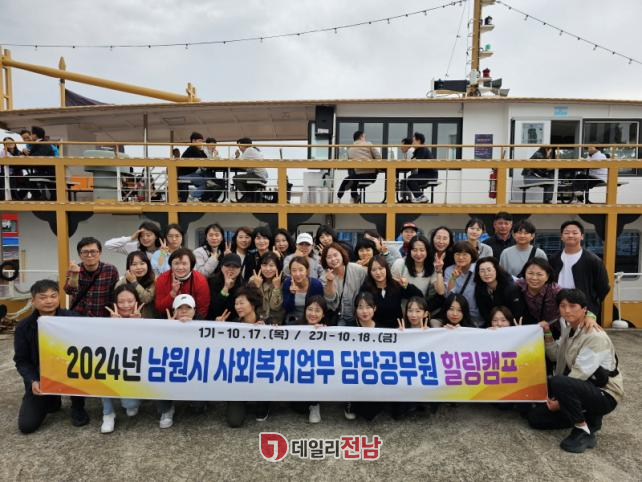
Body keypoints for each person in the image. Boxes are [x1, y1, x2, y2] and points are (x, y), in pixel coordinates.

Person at [527, 289, 623, 453]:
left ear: (584, 309)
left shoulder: (595, 336)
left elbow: (580, 373)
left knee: (558, 382)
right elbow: (555, 355)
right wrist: (547, 333)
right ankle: (585, 415)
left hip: (604, 393)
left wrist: (560, 401)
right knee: (536, 418)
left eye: (572, 306)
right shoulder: (568, 328)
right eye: (563, 306)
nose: (567, 310)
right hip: (581, 386)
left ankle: (583, 428)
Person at [14, 280, 89, 433]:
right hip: (41, 376)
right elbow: (21, 360)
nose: (49, 301)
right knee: (27, 426)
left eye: (53, 296)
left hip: (70, 372)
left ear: (58, 297)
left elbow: (94, 333)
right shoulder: (23, 326)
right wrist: (33, 380)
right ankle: (53, 398)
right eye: (43, 297)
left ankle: (77, 405)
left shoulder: (73, 318)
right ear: (33, 300)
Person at [220, 286, 271, 427]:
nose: (238, 307)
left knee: (260, 413)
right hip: (239, 377)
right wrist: (218, 329)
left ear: (252, 305)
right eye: (236, 303)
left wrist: (267, 330)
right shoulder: (233, 325)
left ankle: (264, 402)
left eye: (241, 303)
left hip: (260, 374)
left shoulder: (266, 323)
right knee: (234, 421)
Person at [100, 284, 144, 433]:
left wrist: (139, 324)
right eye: (121, 302)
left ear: (136, 301)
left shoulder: (145, 320)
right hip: (111, 366)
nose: (126, 305)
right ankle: (108, 413)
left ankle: (131, 400)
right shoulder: (105, 320)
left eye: (130, 301)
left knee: (131, 408)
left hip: (132, 368)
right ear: (115, 303)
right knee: (101, 371)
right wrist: (112, 326)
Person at [548, 221, 610, 323]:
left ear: (582, 236)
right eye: (566, 233)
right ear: (561, 237)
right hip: (558, 307)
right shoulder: (553, 259)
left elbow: (603, 287)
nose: (570, 235)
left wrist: (591, 307)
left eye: (575, 233)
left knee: (581, 332)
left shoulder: (593, 260)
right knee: (559, 332)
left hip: (582, 310)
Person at [157, 294, 200, 428]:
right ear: (174, 311)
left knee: (198, 408)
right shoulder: (163, 327)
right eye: (180, 308)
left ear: (194, 311)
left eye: (188, 307)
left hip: (194, 370)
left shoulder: (204, 327)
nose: (184, 311)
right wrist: (169, 330)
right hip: (172, 368)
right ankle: (166, 410)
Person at [362, 255, 422, 329]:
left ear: (386, 268)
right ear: (370, 272)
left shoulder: (396, 285)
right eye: (373, 270)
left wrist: (407, 286)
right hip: (375, 330)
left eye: (381, 268)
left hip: (397, 329)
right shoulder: (366, 288)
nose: (378, 272)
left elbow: (419, 296)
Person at [64, 237, 119, 317]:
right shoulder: (74, 269)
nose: (89, 255)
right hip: (78, 316)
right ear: (80, 254)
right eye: (85, 252)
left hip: (102, 317)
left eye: (93, 251)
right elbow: (69, 291)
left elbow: (114, 296)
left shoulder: (110, 270)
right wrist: (75, 275)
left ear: (100, 253)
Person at [154, 248, 210, 319]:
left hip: (192, 320)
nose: (180, 267)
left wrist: (192, 322)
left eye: (184, 264)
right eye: (176, 263)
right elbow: (159, 308)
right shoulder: (162, 279)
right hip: (168, 319)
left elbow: (202, 309)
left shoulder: (200, 280)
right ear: (171, 265)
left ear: (191, 265)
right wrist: (173, 293)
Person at [437, 240, 483, 326]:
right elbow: (448, 295)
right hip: (456, 317)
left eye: (465, 254)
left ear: (472, 256)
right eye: (457, 254)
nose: (461, 257)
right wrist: (453, 278)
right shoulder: (449, 270)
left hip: (476, 318)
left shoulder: (479, 269)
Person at [321, 242, 367, 326]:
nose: (333, 259)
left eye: (335, 255)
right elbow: (330, 299)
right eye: (329, 257)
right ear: (325, 260)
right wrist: (330, 282)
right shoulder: (324, 276)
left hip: (358, 317)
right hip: (338, 318)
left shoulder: (357, 269)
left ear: (342, 254)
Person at [300, 295, 329, 423]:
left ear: (323, 314)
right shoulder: (294, 327)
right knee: (298, 408)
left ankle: (315, 404)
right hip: (299, 369)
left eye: (317, 311)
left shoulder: (329, 329)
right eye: (310, 309)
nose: (313, 314)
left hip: (317, 372)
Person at [474, 257, 524, 327]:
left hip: (511, 326)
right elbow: (484, 313)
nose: (486, 273)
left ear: (496, 270)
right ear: (478, 273)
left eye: (489, 270)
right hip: (492, 326)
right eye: (482, 271)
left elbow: (517, 312)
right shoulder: (479, 288)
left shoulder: (510, 288)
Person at [515, 258, 562, 332]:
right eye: (530, 273)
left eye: (539, 274)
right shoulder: (518, 286)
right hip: (528, 330)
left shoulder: (555, 290)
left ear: (547, 276)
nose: (534, 278)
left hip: (553, 330)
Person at [336, 130, 381, 203]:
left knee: (351, 175)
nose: (365, 139)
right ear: (361, 137)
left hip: (356, 176)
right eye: (364, 137)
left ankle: (347, 196)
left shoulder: (350, 149)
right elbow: (378, 157)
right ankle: (354, 196)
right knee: (352, 177)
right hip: (371, 176)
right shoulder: (369, 144)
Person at [391, 235, 438, 301]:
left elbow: (440, 292)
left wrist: (439, 272)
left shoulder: (432, 267)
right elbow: (392, 290)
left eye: (422, 250)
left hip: (421, 305)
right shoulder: (400, 264)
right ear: (409, 251)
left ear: (427, 251)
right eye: (415, 250)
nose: (418, 254)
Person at [283, 256, 324, 324]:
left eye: (301, 270)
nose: (297, 274)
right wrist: (291, 294)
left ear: (307, 271)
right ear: (290, 272)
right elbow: (287, 309)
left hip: (312, 320)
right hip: (292, 320)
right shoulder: (287, 283)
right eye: (294, 270)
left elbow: (320, 307)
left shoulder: (316, 284)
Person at [115, 250, 156, 318]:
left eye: (142, 263)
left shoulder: (154, 280)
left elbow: (146, 299)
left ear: (148, 265)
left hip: (148, 319)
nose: (139, 267)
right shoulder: (122, 282)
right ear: (128, 267)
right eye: (134, 264)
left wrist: (134, 282)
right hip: (127, 319)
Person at [248, 252, 285, 325]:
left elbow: (275, 307)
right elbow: (252, 304)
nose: (268, 269)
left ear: (277, 267)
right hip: (256, 322)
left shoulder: (283, 281)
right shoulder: (253, 280)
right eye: (264, 265)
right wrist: (257, 287)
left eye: (271, 265)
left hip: (277, 323)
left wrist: (276, 288)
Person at [207, 253, 244, 320]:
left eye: (235, 266)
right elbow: (213, 307)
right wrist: (226, 288)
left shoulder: (243, 285)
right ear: (221, 267)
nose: (231, 269)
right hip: (213, 320)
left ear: (240, 269)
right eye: (228, 265)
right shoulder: (211, 282)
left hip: (235, 322)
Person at [232, 137, 268, 202]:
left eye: (239, 145)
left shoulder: (249, 150)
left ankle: (247, 197)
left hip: (258, 176)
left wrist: (237, 156)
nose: (239, 148)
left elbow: (239, 163)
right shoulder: (253, 150)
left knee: (235, 178)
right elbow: (247, 167)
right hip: (262, 175)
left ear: (244, 145)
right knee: (244, 178)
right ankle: (247, 198)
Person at [406, 132, 438, 203]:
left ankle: (421, 197)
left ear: (418, 141)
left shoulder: (422, 149)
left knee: (411, 179)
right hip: (426, 174)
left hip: (430, 175)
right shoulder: (418, 150)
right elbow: (412, 161)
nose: (412, 143)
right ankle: (420, 197)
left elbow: (414, 162)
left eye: (413, 141)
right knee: (411, 178)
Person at [178, 132, 208, 202]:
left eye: (202, 141)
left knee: (205, 179)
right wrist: (201, 150)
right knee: (205, 183)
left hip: (187, 174)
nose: (201, 143)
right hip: (185, 175)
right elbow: (204, 160)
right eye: (199, 141)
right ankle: (192, 196)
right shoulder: (193, 149)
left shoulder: (193, 149)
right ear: (193, 141)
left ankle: (196, 197)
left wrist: (201, 150)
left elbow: (205, 160)